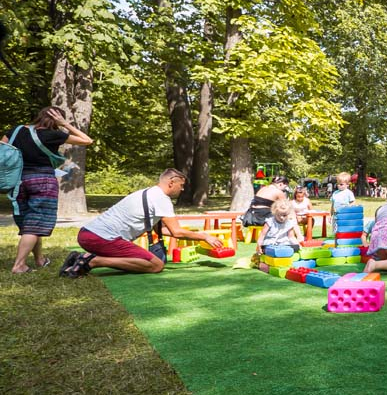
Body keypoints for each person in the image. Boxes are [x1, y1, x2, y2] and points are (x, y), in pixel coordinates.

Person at [63, 169, 223, 277]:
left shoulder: (147, 193)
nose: (181, 189)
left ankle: (78, 258)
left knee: (145, 261)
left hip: (87, 234)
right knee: (156, 265)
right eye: (181, 185)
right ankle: (93, 260)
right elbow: (177, 232)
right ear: (171, 182)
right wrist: (204, 236)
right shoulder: (161, 199)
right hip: (102, 238)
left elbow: (162, 231)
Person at [4, 107, 92, 273]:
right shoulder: (53, 135)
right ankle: (19, 265)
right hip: (43, 181)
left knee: (30, 221)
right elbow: (87, 140)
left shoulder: (16, 131)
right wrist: (65, 124)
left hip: (19, 181)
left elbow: (4, 151)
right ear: (57, 119)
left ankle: (40, 259)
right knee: (35, 224)